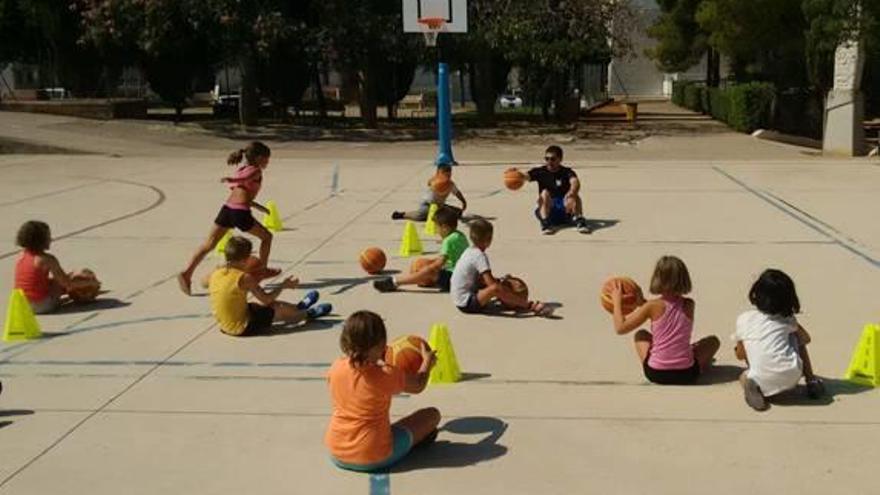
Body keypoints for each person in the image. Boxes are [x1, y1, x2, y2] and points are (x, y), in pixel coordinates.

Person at [325, 310, 440, 472]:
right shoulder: (386, 374)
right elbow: (419, 384)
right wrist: (427, 362)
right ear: (382, 344)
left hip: (336, 451)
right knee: (432, 415)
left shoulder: (336, 367)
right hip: (372, 455)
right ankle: (410, 444)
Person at [178, 141, 280, 295]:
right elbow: (246, 179)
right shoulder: (255, 171)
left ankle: (187, 273)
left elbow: (240, 192)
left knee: (209, 244)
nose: (268, 162)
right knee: (267, 237)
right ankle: (262, 270)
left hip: (227, 209)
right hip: (240, 213)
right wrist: (232, 180)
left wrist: (259, 207)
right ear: (259, 158)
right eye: (267, 159)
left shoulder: (242, 169)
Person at [611, 255, 720, 385]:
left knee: (641, 335)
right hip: (687, 374)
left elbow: (620, 328)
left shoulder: (651, 306)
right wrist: (643, 303)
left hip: (656, 373)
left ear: (657, 279)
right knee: (713, 341)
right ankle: (695, 364)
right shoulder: (689, 304)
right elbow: (668, 310)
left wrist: (616, 302)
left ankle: (658, 360)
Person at [734, 269, 824, 411]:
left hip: (761, 378)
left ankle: (752, 382)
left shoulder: (744, 319)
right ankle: (811, 381)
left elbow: (740, 355)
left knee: (744, 374)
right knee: (796, 336)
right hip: (793, 374)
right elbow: (806, 339)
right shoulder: (788, 320)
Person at [208, 236, 331, 336]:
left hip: (225, 324)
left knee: (260, 306)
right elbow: (267, 299)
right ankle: (307, 314)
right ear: (244, 260)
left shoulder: (216, 272)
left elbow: (203, 283)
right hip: (242, 328)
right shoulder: (244, 278)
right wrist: (283, 285)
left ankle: (298, 307)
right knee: (275, 308)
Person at [450, 218, 550, 316]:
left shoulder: (469, 251)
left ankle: (511, 299)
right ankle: (529, 305)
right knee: (496, 288)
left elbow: (480, 279)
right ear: (489, 239)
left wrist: (502, 280)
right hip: (466, 303)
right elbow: (492, 286)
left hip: (459, 298)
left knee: (498, 284)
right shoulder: (479, 256)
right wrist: (502, 286)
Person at [373, 206, 468, 293]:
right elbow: (454, 258)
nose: (436, 231)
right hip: (465, 277)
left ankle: (395, 282)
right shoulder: (460, 235)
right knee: (427, 265)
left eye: (437, 227)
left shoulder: (448, 241)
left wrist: (425, 271)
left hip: (454, 280)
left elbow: (439, 264)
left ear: (444, 227)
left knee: (430, 271)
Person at [13, 220, 100, 314]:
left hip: (21, 305)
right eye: (48, 237)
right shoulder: (47, 259)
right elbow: (67, 283)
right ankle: (82, 293)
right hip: (41, 306)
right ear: (41, 240)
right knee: (68, 278)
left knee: (53, 280)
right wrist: (91, 282)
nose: (51, 239)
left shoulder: (21, 257)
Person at [526, 145, 590, 234]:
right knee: (544, 193)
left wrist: (572, 193)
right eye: (546, 159)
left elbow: (575, 182)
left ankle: (580, 221)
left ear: (560, 159)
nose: (549, 162)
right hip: (548, 208)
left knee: (575, 195)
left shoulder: (567, 172)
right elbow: (525, 176)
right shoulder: (540, 171)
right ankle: (545, 223)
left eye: (552, 159)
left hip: (565, 209)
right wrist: (516, 175)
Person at [392, 164, 467, 221]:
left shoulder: (450, 184)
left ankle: (441, 212)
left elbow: (457, 193)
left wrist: (463, 201)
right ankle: (401, 215)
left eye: (449, 174)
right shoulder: (434, 181)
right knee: (421, 216)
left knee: (457, 213)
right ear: (439, 173)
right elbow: (430, 186)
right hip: (427, 205)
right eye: (445, 174)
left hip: (439, 205)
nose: (447, 176)